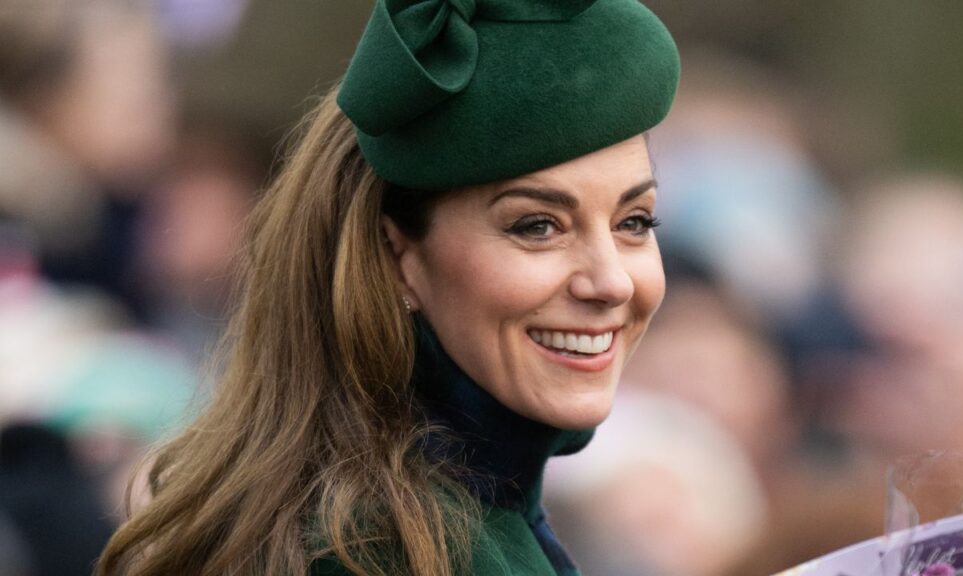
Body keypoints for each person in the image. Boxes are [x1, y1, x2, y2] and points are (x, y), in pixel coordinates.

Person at [96, 0, 680, 574]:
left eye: (634, 222)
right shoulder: (381, 551)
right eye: (537, 226)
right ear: (396, 256)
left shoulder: (444, 517)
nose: (611, 282)